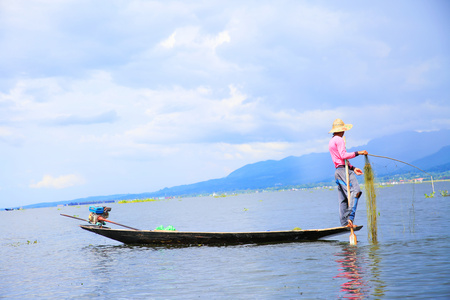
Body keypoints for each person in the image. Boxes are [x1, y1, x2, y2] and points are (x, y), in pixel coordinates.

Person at [328, 119, 368, 228]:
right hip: (343, 172)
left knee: (343, 199)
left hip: (338, 171)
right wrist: (358, 153)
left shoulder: (332, 141)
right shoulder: (339, 140)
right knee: (356, 192)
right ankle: (350, 218)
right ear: (341, 130)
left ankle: (344, 223)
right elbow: (343, 155)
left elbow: (341, 159)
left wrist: (353, 168)